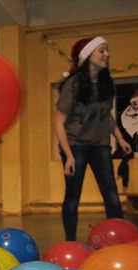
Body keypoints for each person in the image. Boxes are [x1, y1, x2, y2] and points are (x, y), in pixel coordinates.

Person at [55, 36, 132, 241]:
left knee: (111, 193)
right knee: (73, 195)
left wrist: (120, 138)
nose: (107, 54)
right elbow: (59, 123)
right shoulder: (73, 85)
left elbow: (106, 116)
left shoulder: (106, 83)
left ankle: (121, 238)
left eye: (107, 50)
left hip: (100, 145)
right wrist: (69, 156)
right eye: (102, 50)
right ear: (88, 56)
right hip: (75, 145)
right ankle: (70, 241)